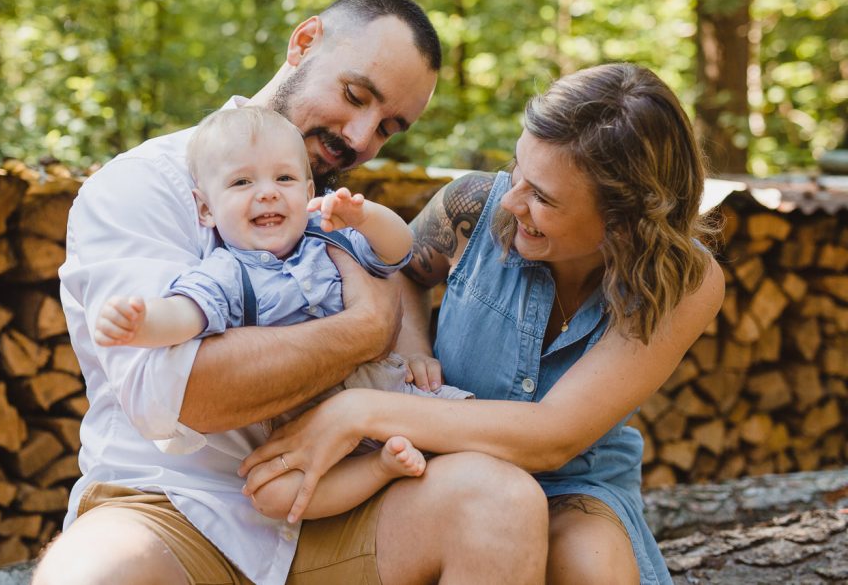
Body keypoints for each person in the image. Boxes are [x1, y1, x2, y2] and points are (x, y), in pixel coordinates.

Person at [34, 0, 549, 585]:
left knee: (501, 502)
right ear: (303, 43)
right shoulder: (144, 186)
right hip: (173, 508)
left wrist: (396, 345)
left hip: (339, 503)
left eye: (388, 128)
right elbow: (179, 395)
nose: (361, 139)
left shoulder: (335, 210)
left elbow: (398, 272)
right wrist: (363, 328)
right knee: (91, 573)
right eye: (355, 95)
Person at [240, 62, 726, 585]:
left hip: (575, 480)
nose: (512, 200)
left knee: (593, 565)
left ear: (624, 223)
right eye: (518, 169)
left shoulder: (681, 280)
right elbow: (400, 272)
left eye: (543, 197)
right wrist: (412, 347)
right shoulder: (469, 206)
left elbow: (554, 436)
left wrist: (360, 410)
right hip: (434, 456)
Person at [93, 106, 472, 523]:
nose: (268, 193)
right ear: (206, 209)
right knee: (273, 495)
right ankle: (382, 466)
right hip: (307, 430)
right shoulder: (227, 272)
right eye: (242, 182)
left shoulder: (331, 238)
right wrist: (142, 323)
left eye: (285, 178)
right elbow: (187, 314)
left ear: (309, 192)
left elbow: (397, 250)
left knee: (471, 432)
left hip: (394, 396)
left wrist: (364, 217)